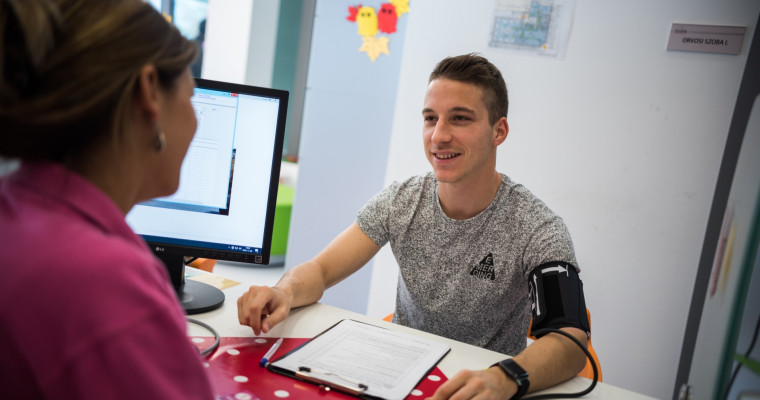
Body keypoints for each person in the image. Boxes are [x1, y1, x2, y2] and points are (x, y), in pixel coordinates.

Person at [237, 53, 590, 399]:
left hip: (484, 388)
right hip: (395, 378)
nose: (439, 136)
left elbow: (569, 339)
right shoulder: (401, 200)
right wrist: (284, 291)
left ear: (499, 131)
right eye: (430, 118)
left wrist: (505, 379)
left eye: (460, 119)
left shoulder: (536, 228)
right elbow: (321, 269)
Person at [0, 0, 215, 398]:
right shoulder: (102, 281)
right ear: (149, 90)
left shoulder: (15, 208)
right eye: (191, 96)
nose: (196, 121)